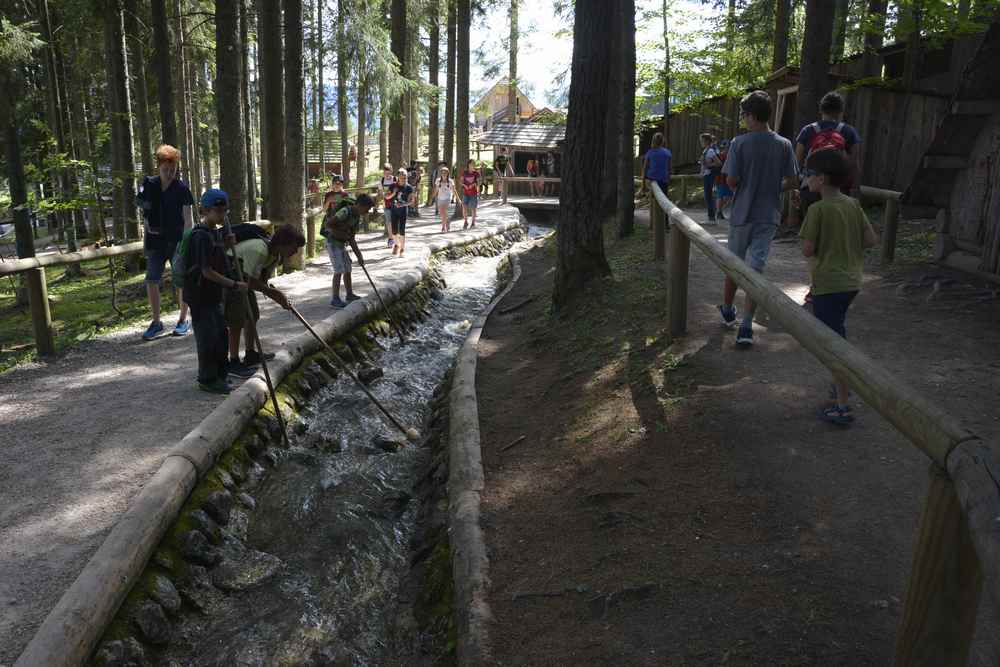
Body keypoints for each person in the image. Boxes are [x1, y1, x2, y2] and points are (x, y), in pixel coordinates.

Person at [799, 149, 878, 425]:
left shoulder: (817, 209)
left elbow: (808, 250)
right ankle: (839, 384)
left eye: (809, 174)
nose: (805, 179)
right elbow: (870, 240)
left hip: (828, 285)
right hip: (851, 282)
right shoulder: (853, 205)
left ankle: (843, 404)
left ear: (821, 179)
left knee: (833, 346)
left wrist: (822, 244)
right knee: (833, 332)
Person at [718, 90, 799, 347]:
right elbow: (793, 180)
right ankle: (746, 325)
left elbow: (730, 179)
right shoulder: (784, 144)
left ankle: (728, 308)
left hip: (742, 214)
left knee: (734, 264)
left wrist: (741, 187)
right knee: (755, 269)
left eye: (743, 115)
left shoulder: (739, 143)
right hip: (768, 216)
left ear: (751, 116)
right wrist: (774, 188)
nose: (743, 119)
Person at [183, 189, 247, 394]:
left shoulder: (215, 233)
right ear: (206, 211)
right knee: (207, 337)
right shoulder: (200, 236)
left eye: (225, 211)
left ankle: (221, 375)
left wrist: (226, 242)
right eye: (218, 211)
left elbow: (218, 253)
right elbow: (206, 271)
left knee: (221, 334)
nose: (222, 215)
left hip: (214, 295)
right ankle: (207, 379)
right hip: (200, 296)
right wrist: (234, 285)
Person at [225, 224, 304, 375]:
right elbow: (250, 280)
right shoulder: (259, 250)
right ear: (282, 243)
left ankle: (250, 354)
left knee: (252, 315)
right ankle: (233, 361)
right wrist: (274, 294)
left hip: (243, 280)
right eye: (293, 247)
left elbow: (261, 279)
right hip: (231, 279)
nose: (295, 252)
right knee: (237, 321)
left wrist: (277, 295)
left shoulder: (274, 255)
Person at [137, 144, 195, 340]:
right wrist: (146, 231)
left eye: (173, 170)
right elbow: (143, 210)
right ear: (158, 167)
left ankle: (183, 319)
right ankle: (156, 322)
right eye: (165, 170)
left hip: (177, 241)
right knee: (152, 279)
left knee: (181, 279)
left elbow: (188, 218)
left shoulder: (182, 189)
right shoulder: (148, 184)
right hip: (155, 242)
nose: (170, 173)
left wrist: (187, 241)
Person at [793, 90, 863, 222]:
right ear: (840, 111)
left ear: (821, 109)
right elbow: (854, 163)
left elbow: (796, 162)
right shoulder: (849, 131)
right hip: (840, 188)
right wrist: (855, 188)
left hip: (811, 187)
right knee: (836, 226)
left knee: (812, 228)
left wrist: (796, 189)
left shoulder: (808, 130)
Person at [327, 194, 375, 308]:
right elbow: (329, 224)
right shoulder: (345, 211)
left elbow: (352, 238)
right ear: (359, 205)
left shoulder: (356, 217)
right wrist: (340, 231)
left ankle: (349, 294)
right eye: (366, 209)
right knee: (338, 270)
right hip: (333, 243)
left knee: (348, 268)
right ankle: (335, 299)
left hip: (342, 244)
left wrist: (359, 256)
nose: (367, 212)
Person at [641, 132, 672, 204]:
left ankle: (654, 214)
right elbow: (670, 168)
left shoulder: (650, 152)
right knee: (664, 201)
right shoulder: (667, 152)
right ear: (662, 141)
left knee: (654, 202)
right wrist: (668, 179)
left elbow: (644, 169)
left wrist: (643, 185)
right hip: (664, 180)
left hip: (652, 180)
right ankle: (664, 215)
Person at [390, 168, 415, 257]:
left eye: (405, 177)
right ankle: (396, 244)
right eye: (401, 177)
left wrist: (404, 204)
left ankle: (402, 249)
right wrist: (393, 193)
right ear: (398, 177)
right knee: (394, 231)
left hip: (403, 211)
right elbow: (386, 197)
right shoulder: (393, 186)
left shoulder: (409, 187)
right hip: (393, 210)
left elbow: (412, 201)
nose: (403, 179)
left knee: (402, 230)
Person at [699, 133, 722, 223]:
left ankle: (711, 217)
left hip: (709, 175)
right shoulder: (706, 150)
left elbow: (719, 163)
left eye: (702, 141)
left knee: (708, 195)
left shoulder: (711, 151)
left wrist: (708, 164)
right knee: (707, 195)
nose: (701, 142)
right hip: (706, 175)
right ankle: (711, 216)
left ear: (707, 141)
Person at [430, 165, 456, 233]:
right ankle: (448, 221)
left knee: (444, 211)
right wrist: (431, 198)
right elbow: (436, 190)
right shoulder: (438, 180)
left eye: (445, 173)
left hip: (447, 198)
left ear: (448, 173)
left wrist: (458, 199)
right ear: (441, 173)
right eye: (442, 172)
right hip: (440, 198)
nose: (444, 174)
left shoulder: (450, 181)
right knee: (442, 213)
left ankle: (443, 227)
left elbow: (454, 190)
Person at [377, 164, 396, 248]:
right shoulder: (381, 181)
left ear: (391, 171)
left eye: (388, 172)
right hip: (386, 204)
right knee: (389, 222)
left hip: (396, 204)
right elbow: (381, 193)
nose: (387, 174)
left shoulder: (395, 179)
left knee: (395, 222)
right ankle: (391, 239)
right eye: (385, 172)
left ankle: (396, 238)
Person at [714, 138, 733, 220]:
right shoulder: (720, 155)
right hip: (721, 178)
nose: (726, 148)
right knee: (720, 195)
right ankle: (719, 212)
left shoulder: (731, 156)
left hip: (728, 177)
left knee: (729, 196)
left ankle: (719, 210)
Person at [460, 160, 481, 229]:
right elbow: (461, 182)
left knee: (473, 209)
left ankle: (473, 223)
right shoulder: (464, 173)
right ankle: (465, 222)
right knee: (464, 208)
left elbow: (479, 183)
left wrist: (474, 184)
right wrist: (464, 185)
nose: (473, 165)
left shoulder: (476, 173)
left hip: (473, 194)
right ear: (468, 165)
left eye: (474, 164)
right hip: (466, 193)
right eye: (472, 164)